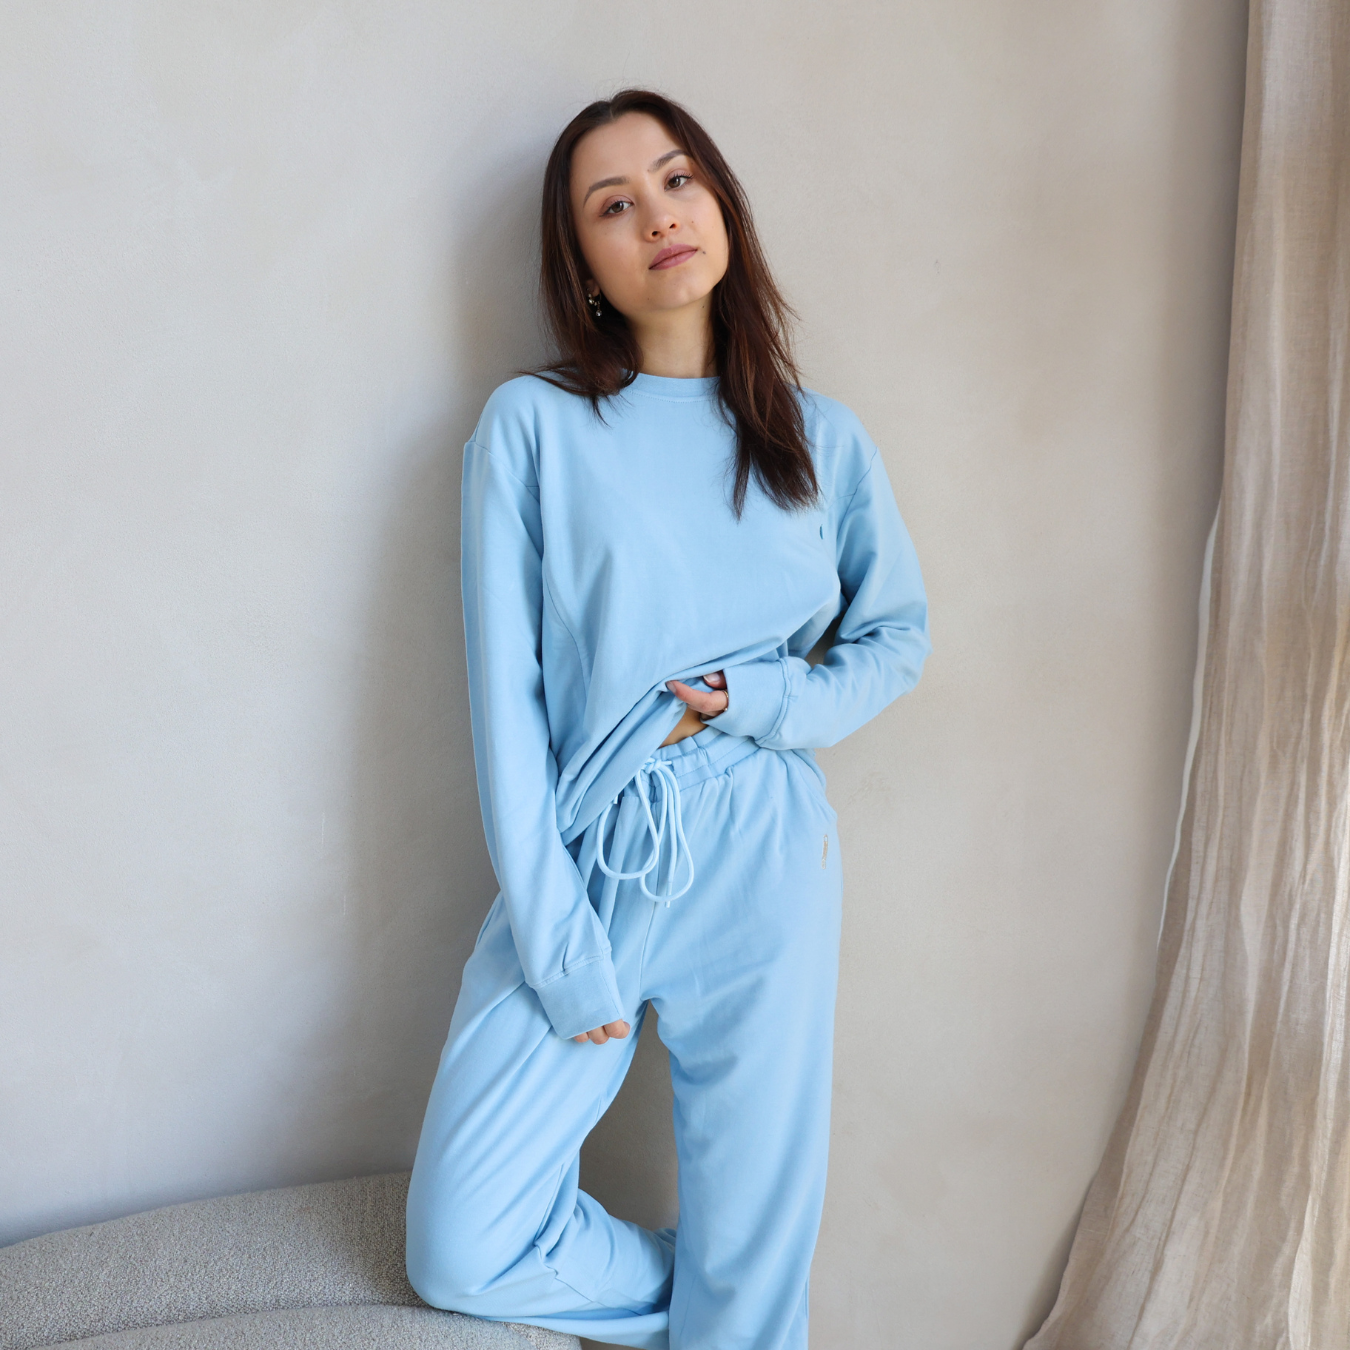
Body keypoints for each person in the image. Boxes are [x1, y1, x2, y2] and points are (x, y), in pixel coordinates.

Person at [405, 89, 930, 1350]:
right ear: (580, 263)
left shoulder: (818, 438)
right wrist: (556, 941)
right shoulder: (532, 429)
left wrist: (774, 699)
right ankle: (723, 1310)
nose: (657, 217)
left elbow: (897, 637)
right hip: (598, 852)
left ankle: (741, 1311)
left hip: (764, 844)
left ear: (722, 206)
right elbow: (507, 707)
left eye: (678, 179)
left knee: (756, 1245)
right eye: (614, 204)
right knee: (460, 1245)